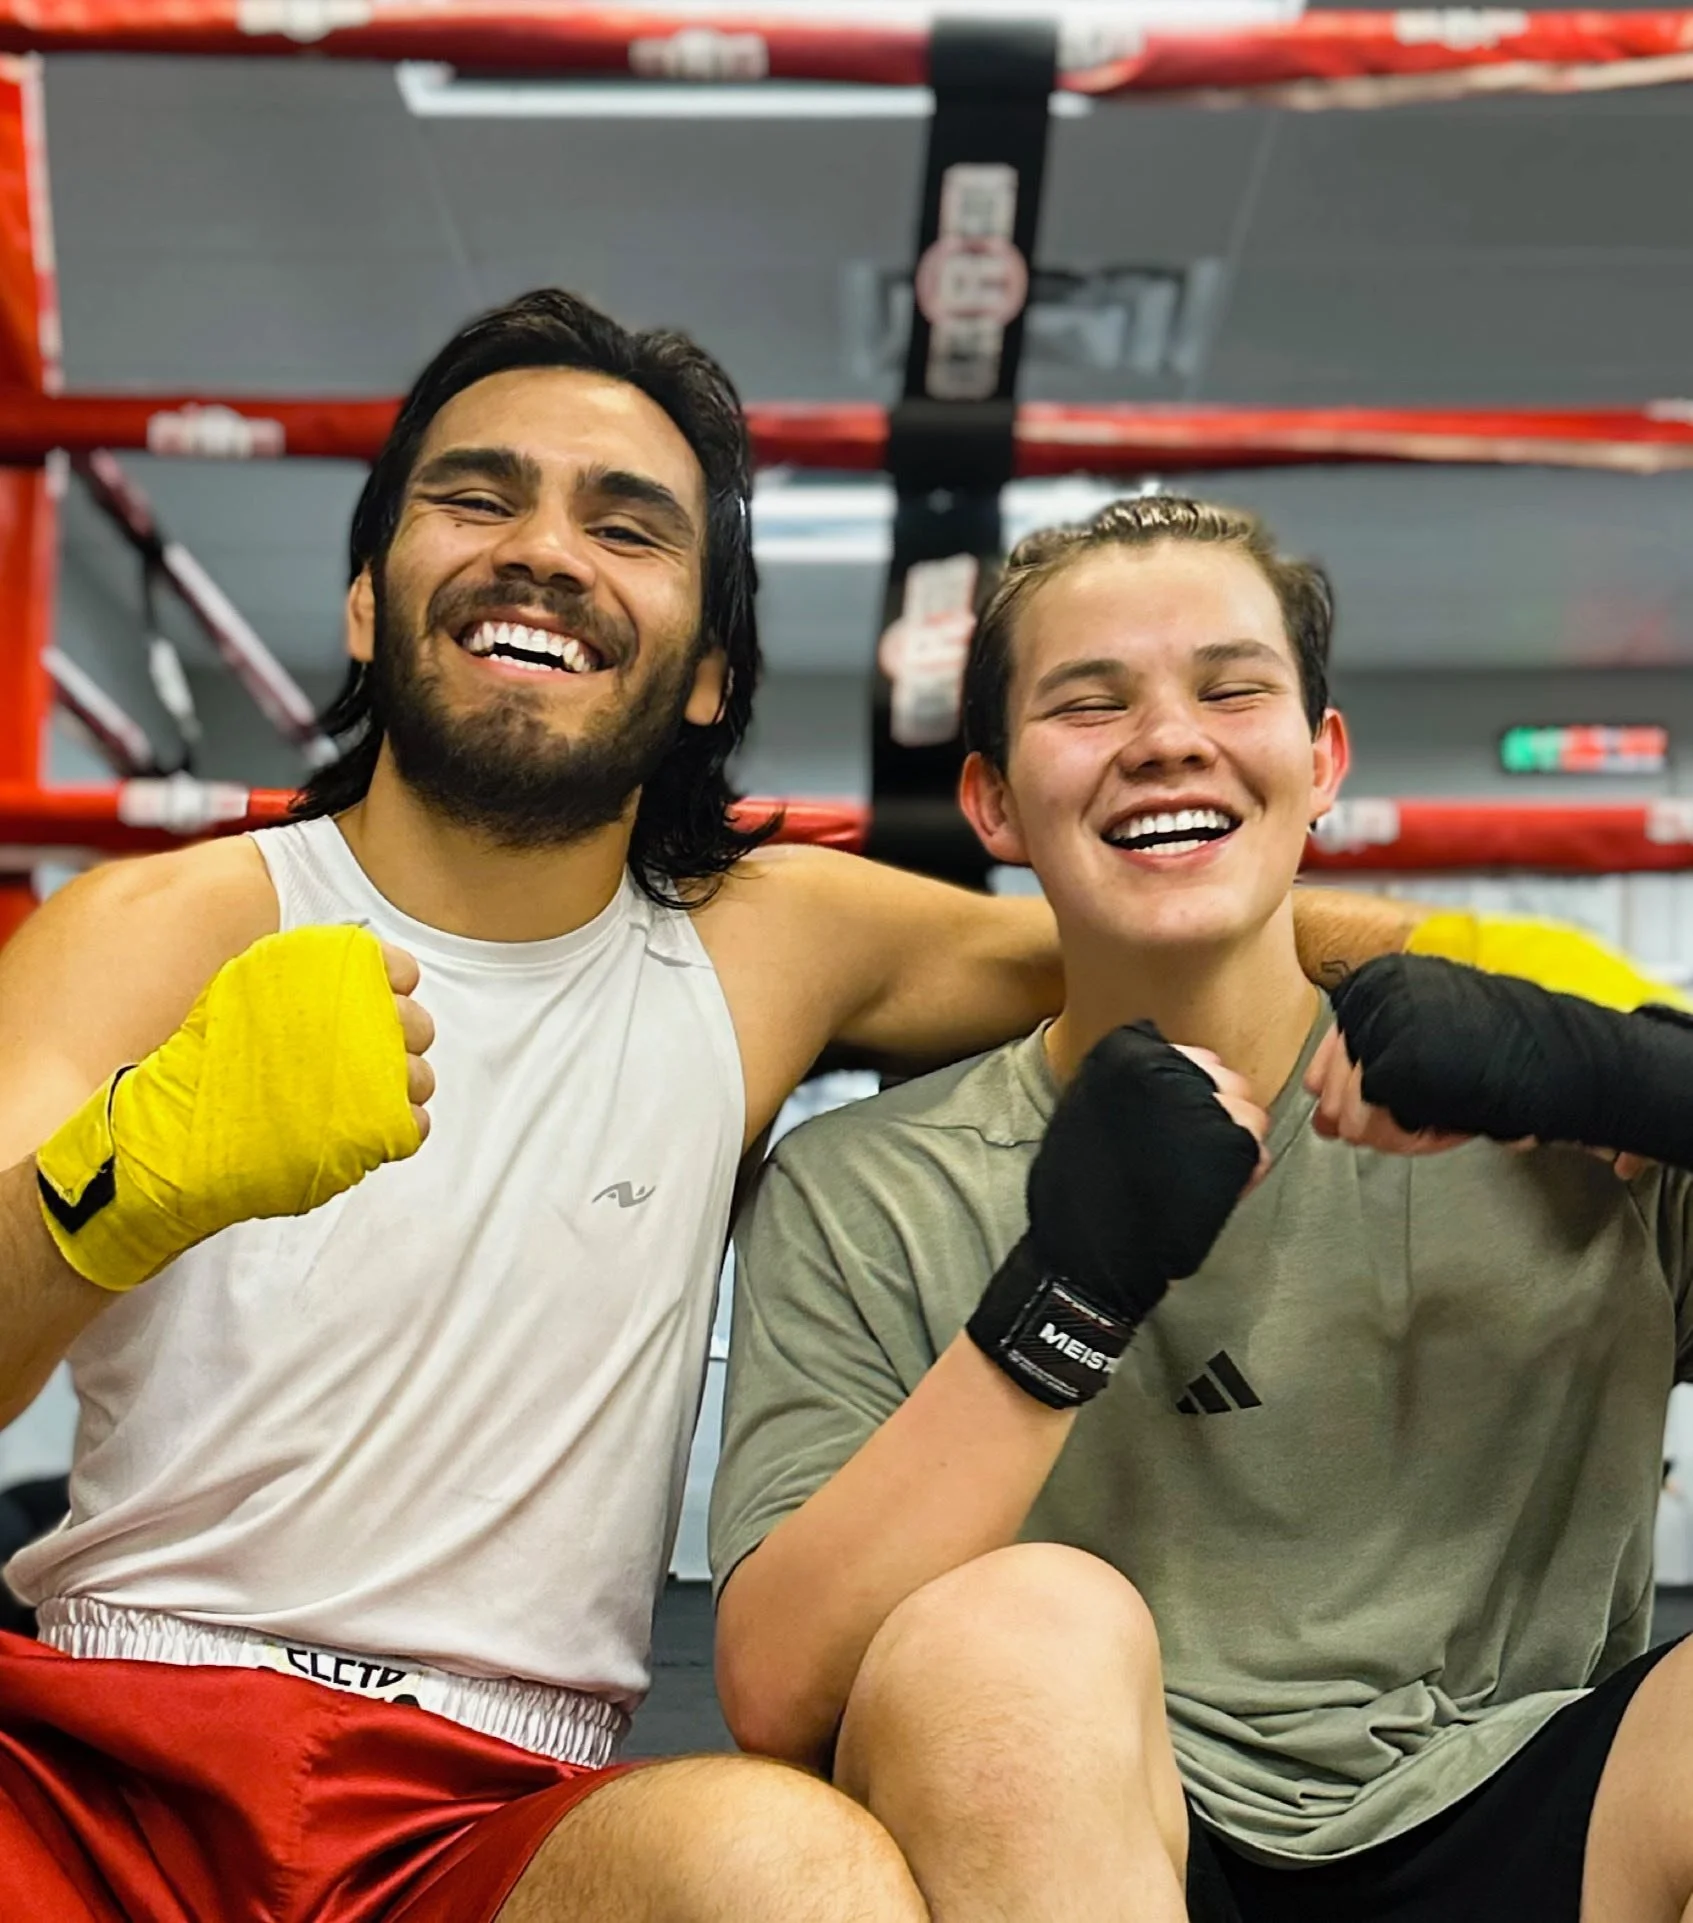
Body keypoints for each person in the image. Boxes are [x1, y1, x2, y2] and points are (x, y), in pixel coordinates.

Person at [0, 291, 1649, 1921]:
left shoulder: (775, 943)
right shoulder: (151, 933)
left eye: (626, 524)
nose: (546, 552)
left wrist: (1555, 1019)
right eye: (477, 496)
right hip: (101, 1734)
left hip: (493, 1794)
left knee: (801, 1875)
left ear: (711, 673)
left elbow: (1136, 905)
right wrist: (119, 1181)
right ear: (369, 601)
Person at [710, 494, 1693, 1923]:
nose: (1169, 735)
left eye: (1230, 688)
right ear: (992, 799)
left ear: (1321, 760)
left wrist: (1636, 1081)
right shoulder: (874, 1184)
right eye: (1089, 702)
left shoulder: (1550, 1121)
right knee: (1013, 1627)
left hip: (1529, 1806)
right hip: (1098, 1824)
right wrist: (1066, 1291)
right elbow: (775, 1680)